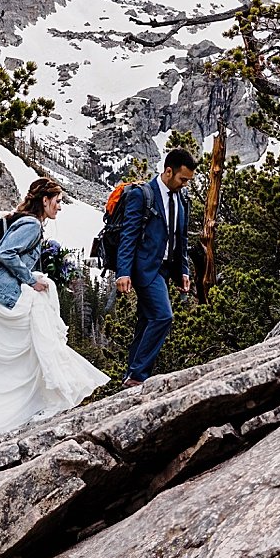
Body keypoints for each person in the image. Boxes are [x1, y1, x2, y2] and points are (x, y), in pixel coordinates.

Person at [0, 177, 109, 450]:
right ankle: (31, 406)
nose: (60, 207)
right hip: (1, 298)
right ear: (45, 200)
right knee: (34, 347)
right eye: (58, 201)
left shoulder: (21, 219)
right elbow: (6, 254)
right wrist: (31, 280)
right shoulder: (30, 224)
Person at [114, 148, 197, 386]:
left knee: (146, 319)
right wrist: (123, 272)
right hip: (145, 269)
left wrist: (183, 270)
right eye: (182, 179)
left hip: (166, 270)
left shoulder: (182, 198)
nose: (185, 184)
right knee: (163, 316)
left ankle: (130, 376)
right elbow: (128, 236)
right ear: (168, 171)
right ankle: (139, 376)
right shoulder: (144, 194)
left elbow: (181, 238)